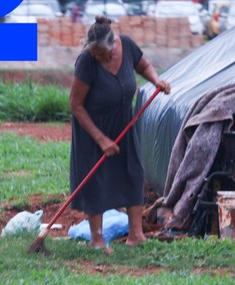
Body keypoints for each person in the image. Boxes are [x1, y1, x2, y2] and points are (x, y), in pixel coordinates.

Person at [69, 16, 171, 252]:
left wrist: (156, 81)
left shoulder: (127, 45)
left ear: (114, 44)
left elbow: (143, 65)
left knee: (133, 172)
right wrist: (101, 139)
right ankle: (97, 240)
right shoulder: (86, 61)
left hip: (124, 122)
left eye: (102, 54)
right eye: (94, 54)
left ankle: (136, 235)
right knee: (96, 180)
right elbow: (75, 105)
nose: (98, 58)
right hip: (93, 127)